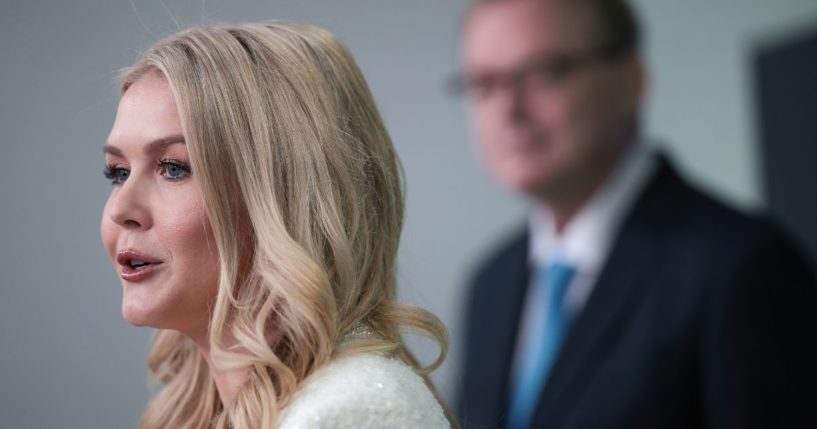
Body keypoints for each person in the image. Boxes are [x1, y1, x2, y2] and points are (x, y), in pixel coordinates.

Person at [454, 0, 817, 428]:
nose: (508, 111)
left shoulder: (740, 266)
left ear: (631, 79)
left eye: (541, 74)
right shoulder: (491, 283)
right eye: (484, 85)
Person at [100, 21, 452, 429]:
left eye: (174, 168)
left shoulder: (354, 412)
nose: (120, 208)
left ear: (285, 195)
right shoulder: (198, 412)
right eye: (118, 172)